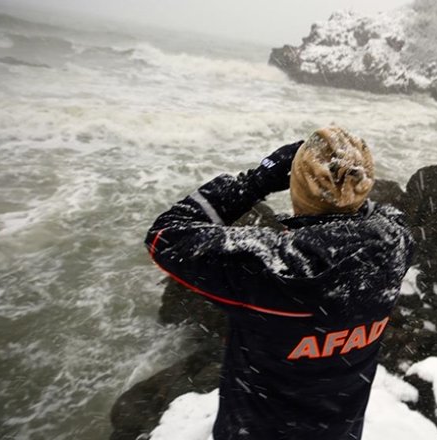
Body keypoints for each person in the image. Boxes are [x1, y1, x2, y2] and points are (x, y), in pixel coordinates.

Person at [145, 127, 415, 440]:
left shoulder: (273, 269)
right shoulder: (395, 244)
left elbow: (164, 235)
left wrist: (257, 179)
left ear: (295, 187)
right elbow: (375, 213)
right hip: (341, 431)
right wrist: (337, 183)